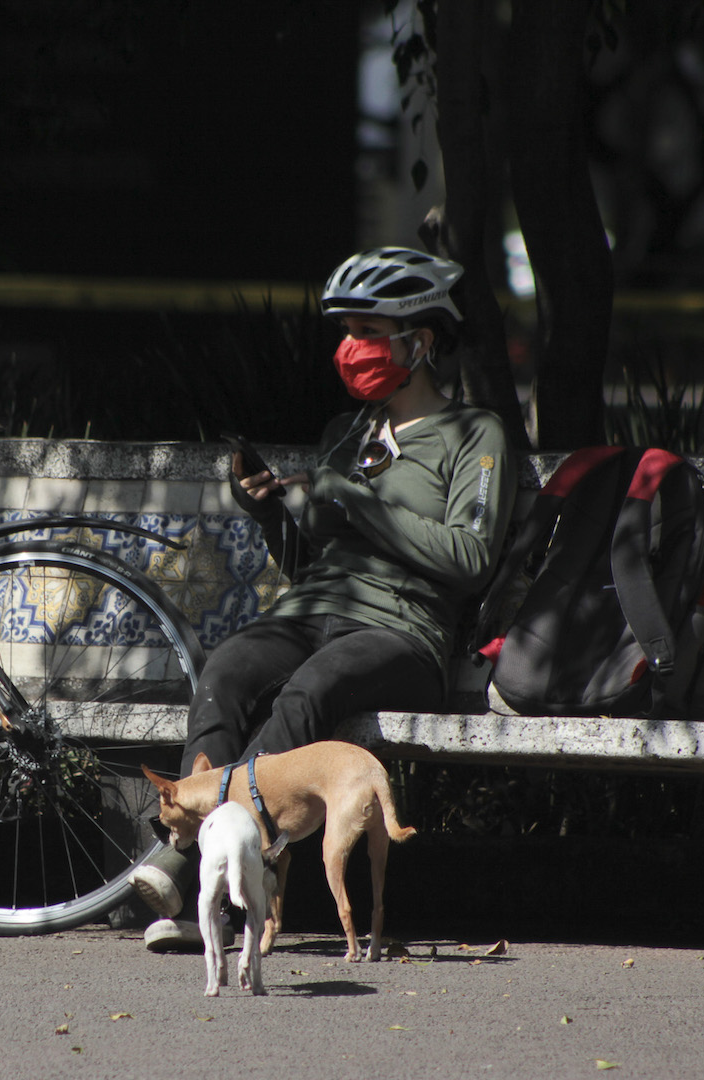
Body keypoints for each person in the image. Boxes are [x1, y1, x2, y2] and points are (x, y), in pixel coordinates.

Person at [131, 246, 518, 951]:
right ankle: (222, 881)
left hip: (403, 635)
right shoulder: (350, 433)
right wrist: (271, 512)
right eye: (347, 331)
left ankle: (189, 868)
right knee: (228, 671)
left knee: (306, 693)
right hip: (314, 611)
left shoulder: (476, 434)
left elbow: (471, 559)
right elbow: (312, 560)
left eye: (368, 331)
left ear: (421, 340)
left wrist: (358, 502)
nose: (351, 348)